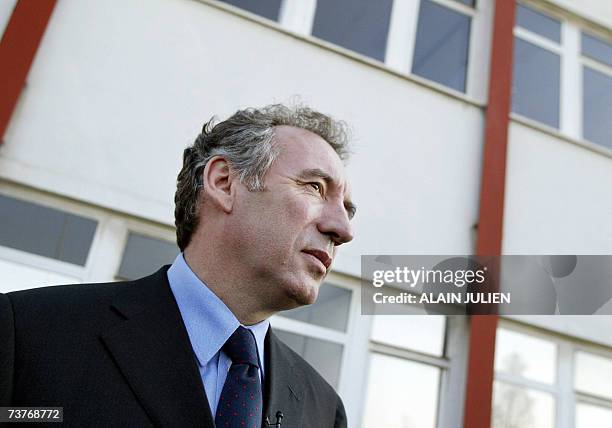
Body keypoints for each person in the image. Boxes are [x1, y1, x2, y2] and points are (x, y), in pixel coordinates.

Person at [0, 104, 356, 427]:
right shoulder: (27, 335)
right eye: (314, 186)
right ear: (223, 183)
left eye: (347, 210)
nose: (342, 230)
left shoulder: (324, 410)